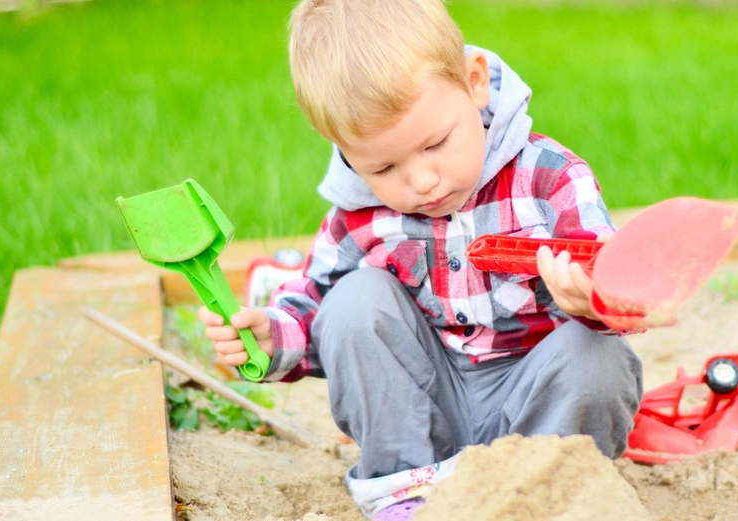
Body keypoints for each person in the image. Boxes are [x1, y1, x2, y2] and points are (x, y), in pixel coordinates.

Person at [198, 0, 643, 519]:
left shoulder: (548, 177)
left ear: (474, 83)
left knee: (599, 358)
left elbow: (619, 279)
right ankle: (404, 493)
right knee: (354, 300)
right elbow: (316, 308)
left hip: (536, 399)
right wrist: (276, 335)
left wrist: (593, 296)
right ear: (343, 149)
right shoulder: (359, 212)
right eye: (384, 166)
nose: (422, 181)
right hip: (424, 409)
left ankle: (550, 492)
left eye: (436, 143)